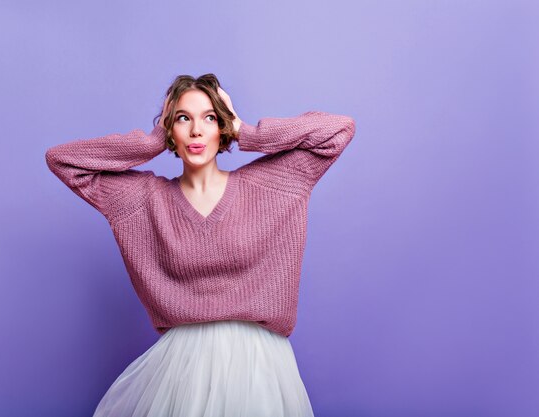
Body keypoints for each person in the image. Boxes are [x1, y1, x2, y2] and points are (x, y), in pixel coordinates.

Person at [45, 73, 356, 417]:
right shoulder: (144, 199)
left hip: (260, 366)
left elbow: (339, 129)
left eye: (209, 117)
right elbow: (63, 160)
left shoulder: (271, 184)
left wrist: (245, 130)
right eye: (183, 118)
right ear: (170, 130)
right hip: (181, 368)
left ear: (221, 128)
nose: (196, 130)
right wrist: (150, 142)